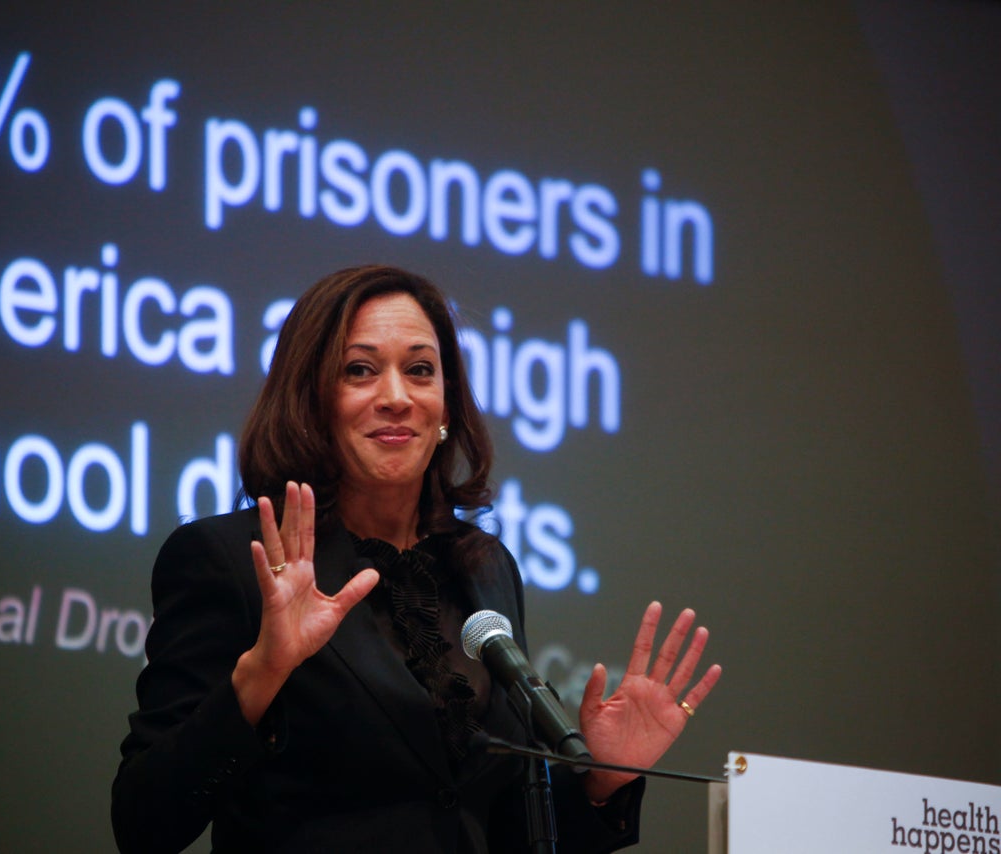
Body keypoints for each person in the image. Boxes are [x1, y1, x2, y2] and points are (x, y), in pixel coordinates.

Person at [111, 265, 721, 853]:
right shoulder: (230, 560)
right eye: (359, 371)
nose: (397, 397)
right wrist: (261, 674)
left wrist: (602, 780)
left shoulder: (484, 569)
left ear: (447, 408)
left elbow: (493, 826)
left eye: (421, 371)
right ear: (312, 400)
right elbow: (143, 820)